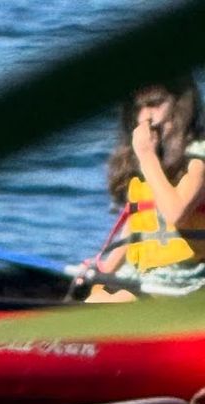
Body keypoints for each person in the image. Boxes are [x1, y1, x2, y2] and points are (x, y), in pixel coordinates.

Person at [84, 76, 205, 302]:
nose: (145, 117)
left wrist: (147, 157)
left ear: (181, 105)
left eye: (155, 105)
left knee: (101, 305)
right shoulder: (152, 156)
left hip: (184, 283)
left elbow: (175, 213)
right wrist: (102, 271)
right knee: (95, 294)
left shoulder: (198, 158)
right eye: (139, 108)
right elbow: (138, 226)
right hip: (142, 274)